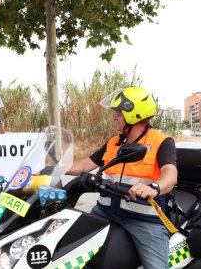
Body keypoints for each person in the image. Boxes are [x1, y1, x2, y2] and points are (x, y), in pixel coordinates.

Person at [68, 87, 177, 269]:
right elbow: (85, 164)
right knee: (68, 245)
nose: (114, 117)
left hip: (143, 220)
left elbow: (170, 175)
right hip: (104, 212)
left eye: (119, 113)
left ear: (133, 115)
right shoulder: (114, 142)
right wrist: (52, 167)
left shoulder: (161, 141)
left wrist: (154, 187)